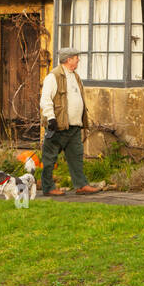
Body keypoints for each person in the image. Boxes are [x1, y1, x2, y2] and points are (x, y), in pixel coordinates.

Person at [39, 48, 101, 197]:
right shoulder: (53, 77)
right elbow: (45, 99)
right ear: (68, 60)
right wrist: (51, 118)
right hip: (58, 126)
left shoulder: (75, 76)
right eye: (76, 57)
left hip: (73, 126)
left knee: (76, 156)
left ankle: (81, 185)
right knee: (49, 157)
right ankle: (48, 187)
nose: (78, 60)